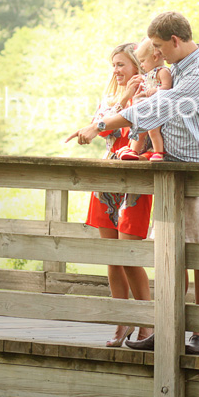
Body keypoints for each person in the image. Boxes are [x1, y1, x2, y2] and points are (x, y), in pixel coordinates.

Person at [66, 11, 199, 355]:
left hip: (198, 171)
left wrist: (102, 125)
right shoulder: (179, 67)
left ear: (175, 41)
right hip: (171, 173)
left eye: (157, 46)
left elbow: (158, 109)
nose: (155, 54)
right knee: (171, 255)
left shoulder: (197, 73)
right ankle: (168, 328)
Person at [82, 42, 153, 347]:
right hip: (107, 182)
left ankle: (147, 322)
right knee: (112, 257)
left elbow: (146, 129)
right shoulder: (111, 98)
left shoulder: (151, 93)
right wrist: (122, 99)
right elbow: (101, 130)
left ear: (137, 65)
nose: (116, 70)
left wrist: (131, 99)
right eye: (113, 65)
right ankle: (121, 320)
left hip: (135, 183)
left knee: (129, 256)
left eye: (121, 64)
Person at [116, 37, 173, 162]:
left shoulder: (163, 71)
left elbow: (167, 89)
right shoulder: (148, 75)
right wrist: (138, 95)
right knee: (140, 131)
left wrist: (157, 91)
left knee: (153, 131)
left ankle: (158, 152)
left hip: (156, 109)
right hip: (146, 108)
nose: (141, 65)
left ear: (154, 57)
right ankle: (133, 150)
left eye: (142, 61)